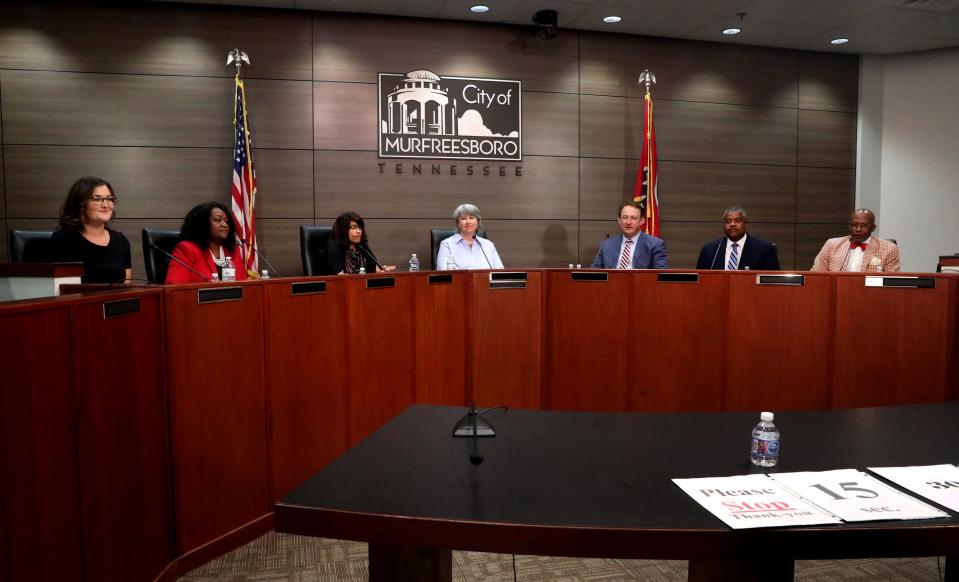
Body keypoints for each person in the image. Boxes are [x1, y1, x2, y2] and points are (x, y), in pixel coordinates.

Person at [50, 176, 132, 284]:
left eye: (109, 199)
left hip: (115, 300)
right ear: (81, 205)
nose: (106, 205)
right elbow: (61, 289)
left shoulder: (120, 241)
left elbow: (126, 287)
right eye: (97, 199)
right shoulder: (63, 240)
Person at [165, 202, 248, 284]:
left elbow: (245, 285)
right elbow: (174, 286)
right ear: (203, 224)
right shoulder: (187, 249)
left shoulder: (233, 250)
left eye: (226, 221)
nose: (224, 225)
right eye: (218, 220)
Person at [811, 208, 900, 272]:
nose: (858, 229)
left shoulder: (889, 248)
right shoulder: (832, 245)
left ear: (873, 228)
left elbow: (890, 281)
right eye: (854, 225)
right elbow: (816, 274)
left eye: (864, 226)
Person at [696, 206, 780, 270]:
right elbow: (700, 281)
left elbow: (773, 283)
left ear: (745, 223)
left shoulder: (765, 249)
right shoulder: (710, 250)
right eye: (728, 221)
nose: (732, 224)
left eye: (737, 220)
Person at [591, 201, 667, 269]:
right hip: (612, 284)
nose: (628, 222)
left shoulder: (655, 245)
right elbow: (595, 272)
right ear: (619, 220)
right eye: (625, 217)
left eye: (633, 218)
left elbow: (659, 275)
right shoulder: (607, 244)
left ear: (642, 221)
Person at [436, 203, 504, 270]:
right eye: (463, 218)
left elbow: (500, 271)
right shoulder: (447, 244)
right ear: (458, 223)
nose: (468, 222)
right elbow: (442, 273)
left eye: (471, 218)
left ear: (478, 222)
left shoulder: (488, 245)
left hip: (485, 281)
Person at [327, 212, 395, 274]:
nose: (358, 231)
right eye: (353, 228)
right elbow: (339, 276)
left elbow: (373, 266)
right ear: (343, 230)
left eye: (360, 228)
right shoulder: (335, 248)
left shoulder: (361, 246)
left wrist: (380, 270)